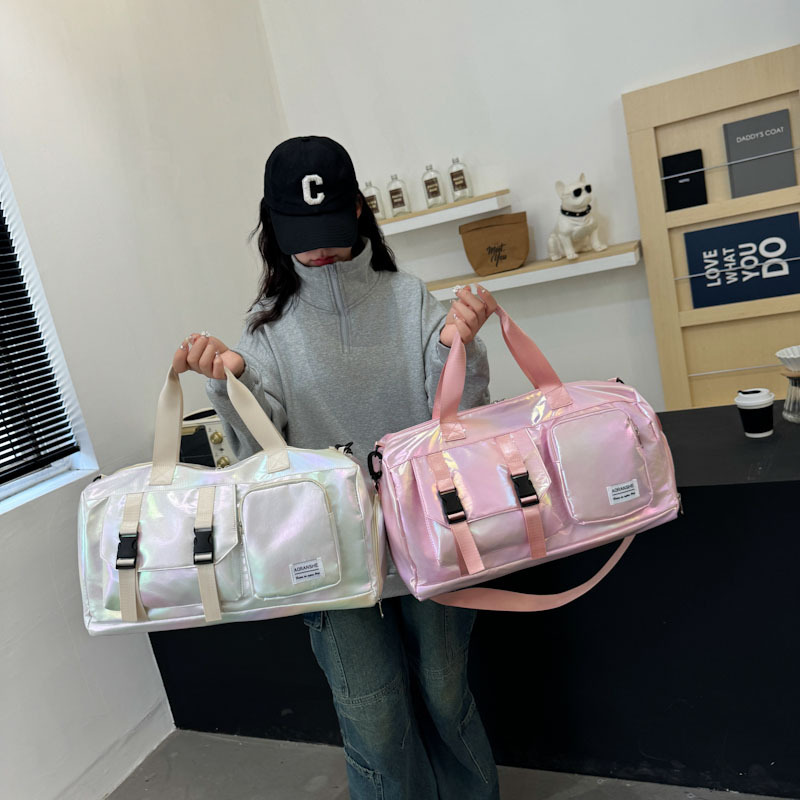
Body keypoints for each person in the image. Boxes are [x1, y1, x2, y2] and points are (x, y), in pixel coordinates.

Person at [173, 135, 501, 799]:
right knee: (374, 719)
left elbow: (460, 418)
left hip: (431, 538)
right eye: (301, 233)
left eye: (329, 228)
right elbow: (262, 461)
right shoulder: (265, 331)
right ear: (274, 227)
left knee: (446, 697)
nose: (319, 250)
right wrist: (229, 385)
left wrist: (460, 346)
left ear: (356, 210)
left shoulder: (409, 299)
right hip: (328, 556)